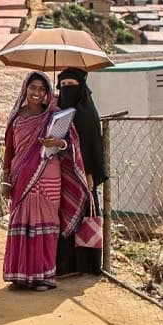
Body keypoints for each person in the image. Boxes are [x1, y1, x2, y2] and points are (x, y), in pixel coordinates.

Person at [1, 72, 91, 291]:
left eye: (42, 89)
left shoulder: (55, 116)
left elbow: (70, 145)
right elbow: (9, 152)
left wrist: (57, 143)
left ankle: (44, 276)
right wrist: (5, 179)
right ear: (25, 89)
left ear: (47, 93)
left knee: (48, 226)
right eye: (33, 87)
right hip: (22, 177)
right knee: (22, 224)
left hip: (50, 175)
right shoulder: (16, 118)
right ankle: (21, 275)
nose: (37, 93)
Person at [55, 67, 108, 275]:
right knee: (62, 216)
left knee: (86, 216)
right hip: (61, 174)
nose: (67, 89)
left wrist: (90, 173)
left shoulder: (87, 113)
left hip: (84, 175)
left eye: (72, 85)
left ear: (81, 87)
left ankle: (86, 265)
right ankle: (64, 264)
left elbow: (93, 144)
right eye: (63, 85)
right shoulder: (57, 111)